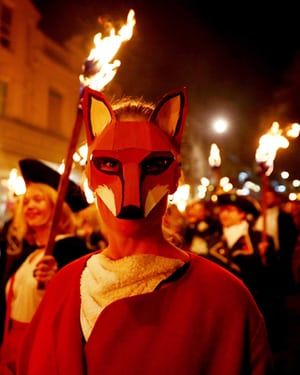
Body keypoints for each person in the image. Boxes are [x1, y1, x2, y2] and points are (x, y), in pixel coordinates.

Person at [18, 88, 272, 374]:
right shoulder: (64, 286)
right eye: (109, 164)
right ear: (89, 177)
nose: (131, 199)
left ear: (175, 177)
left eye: (153, 165)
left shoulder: (225, 301)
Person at [0, 159, 89, 374]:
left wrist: (56, 282)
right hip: (10, 352)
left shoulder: (72, 250)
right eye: (26, 201)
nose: (30, 206)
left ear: (56, 205)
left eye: (38, 200)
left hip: (41, 355)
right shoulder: (27, 253)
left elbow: (82, 308)